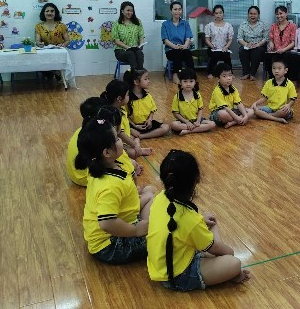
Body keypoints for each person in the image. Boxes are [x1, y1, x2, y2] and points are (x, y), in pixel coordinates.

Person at [147, 149, 251, 290]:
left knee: (210, 226)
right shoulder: (190, 219)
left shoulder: (160, 198)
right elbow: (221, 250)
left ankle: (213, 258)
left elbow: (178, 225)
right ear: (196, 180)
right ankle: (228, 272)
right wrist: (232, 264)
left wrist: (201, 220)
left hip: (158, 266)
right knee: (234, 262)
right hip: (178, 276)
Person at [75, 118, 155, 264]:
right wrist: (136, 230)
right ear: (107, 152)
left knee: (150, 192)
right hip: (110, 245)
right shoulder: (109, 185)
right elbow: (106, 223)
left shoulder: (100, 166)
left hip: (120, 221)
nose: (121, 140)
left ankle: (145, 226)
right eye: (117, 138)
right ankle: (145, 230)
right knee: (164, 236)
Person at [66, 98, 140, 186]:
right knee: (131, 163)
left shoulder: (87, 131)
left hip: (77, 173)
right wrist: (131, 166)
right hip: (88, 176)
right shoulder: (103, 136)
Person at [100, 79, 152, 160]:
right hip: (114, 143)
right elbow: (120, 133)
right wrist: (134, 145)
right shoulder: (112, 114)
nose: (129, 97)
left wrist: (131, 130)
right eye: (127, 95)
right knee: (133, 152)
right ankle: (138, 149)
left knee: (135, 137)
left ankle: (136, 148)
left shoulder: (121, 109)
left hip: (123, 140)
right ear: (119, 98)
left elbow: (124, 126)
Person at [124, 69, 171, 139]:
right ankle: (136, 134)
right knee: (127, 135)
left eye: (148, 78)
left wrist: (150, 120)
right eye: (145, 79)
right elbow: (125, 116)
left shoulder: (148, 96)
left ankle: (141, 136)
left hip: (146, 124)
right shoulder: (127, 99)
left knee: (166, 127)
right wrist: (134, 126)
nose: (148, 81)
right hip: (133, 125)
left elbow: (152, 110)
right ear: (136, 82)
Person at [251, 54, 297, 124]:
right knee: (255, 110)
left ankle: (267, 116)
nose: (276, 71)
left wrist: (288, 105)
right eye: (274, 68)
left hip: (282, 110)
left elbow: (293, 99)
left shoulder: (289, 84)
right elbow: (264, 98)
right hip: (270, 108)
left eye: (279, 68)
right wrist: (255, 103)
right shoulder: (268, 82)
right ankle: (276, 118)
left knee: (285, 112)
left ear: (286, 70)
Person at [170, 68, 217, 135]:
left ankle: (188, 131)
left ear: (195, 82)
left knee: (212, 124)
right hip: (183, 121)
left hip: (196, 120)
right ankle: (197, 129)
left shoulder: (197, 95)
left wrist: (198, 121)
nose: (188, 84)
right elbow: (175, 113)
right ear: (180, 82)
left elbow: (200, 109)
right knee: (173, 125)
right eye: (185, 81)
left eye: (191, 81)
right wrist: (186, 122)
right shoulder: (177, 96)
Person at [208, 63, 254, 128]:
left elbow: (239, 103)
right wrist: (237, 117)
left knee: (251, 111)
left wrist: (245, 115)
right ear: (218, 78)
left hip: (231, 111)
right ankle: (238, 120)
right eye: (224, 76)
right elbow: (225, 108)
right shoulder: (217, 91)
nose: (228, 78)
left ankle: (233, 122)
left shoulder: (233, 89)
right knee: (222, 113)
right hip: (218, 113)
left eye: (230, 75)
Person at [161, 1, 194, 85]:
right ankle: (175, 74)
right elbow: (165, 40)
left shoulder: (185, 23)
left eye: (179, 9)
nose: (177, 11)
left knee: (188, 53)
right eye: (175, 9)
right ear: (171, 11)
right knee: (177, 53)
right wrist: (174, 46)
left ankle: (191, 75)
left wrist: (185, 45)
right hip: (171, 50)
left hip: (183, 48)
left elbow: (188, 37)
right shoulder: (165, 24)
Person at [35, 2, 70, 80]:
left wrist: (63, 45)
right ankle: (52, 73)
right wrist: (39, 43)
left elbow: (67, 40)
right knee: (41, 65)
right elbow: (37, 41)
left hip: (58, 53)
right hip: (45, 53)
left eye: (52, 11)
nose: (49, 13)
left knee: (55, 66)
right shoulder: (38, 26)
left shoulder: (62, 26)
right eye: (47, 11)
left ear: (55, 13)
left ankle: (55, 72)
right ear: (43, 13)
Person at [264, 5, 296, 78]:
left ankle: (286, 78)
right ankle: (273, 77)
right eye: (277, 14)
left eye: (281, 13)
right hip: (276, 51)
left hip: (287, 51)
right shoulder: (273, 26)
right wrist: (271, 45)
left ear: (286, 13)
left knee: (288, 57)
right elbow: (271, 40)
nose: (279, 16)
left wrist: (284, 50)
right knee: (267, 56)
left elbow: (293, 43)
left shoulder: (292, 26)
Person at [237, 6, 268, 81]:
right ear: (248, 14)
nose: (252, 16)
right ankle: (246, 73)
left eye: (255, 14)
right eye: (251, 14)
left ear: (258, 15)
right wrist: (246, 44)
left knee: (256, 51)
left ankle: (252, 74)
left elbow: (265, 39)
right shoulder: (243, 24)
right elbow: (239, 38)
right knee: (242, 51)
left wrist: (257, 45)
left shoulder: (263, 24)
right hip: (247, 45)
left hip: (259, 46)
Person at [112, 1, 145, 70]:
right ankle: (135, 74)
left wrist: (141, 45)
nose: (130, 12)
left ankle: (139, 72)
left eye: (132, 11)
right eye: (128, 10)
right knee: (131, 53)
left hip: (135, 49)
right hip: (121, 51)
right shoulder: (116, 24)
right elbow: (116, 40)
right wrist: (128, 48)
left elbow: (141, 36)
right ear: (122, 11)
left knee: (139, 53)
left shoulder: (138, 22)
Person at [204, 5, 233, 79]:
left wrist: (226, 47)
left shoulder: (228, 25)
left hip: (224, 47)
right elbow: (207, 39)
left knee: (226, 55)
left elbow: (230, 39)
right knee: (216, 54)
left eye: (220, 13)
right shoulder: (209, 26)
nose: (218, 15)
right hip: (213, 48)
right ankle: (210, 72)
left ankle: (230, 73)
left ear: (223, 13)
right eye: (216, 13)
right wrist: (212, 46)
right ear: (214, 14)